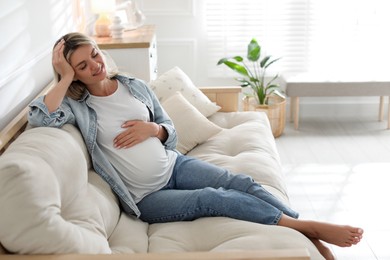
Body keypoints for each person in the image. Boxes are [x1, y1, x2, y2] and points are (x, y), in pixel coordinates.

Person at [28, 32, 363, 260]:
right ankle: (307, 230)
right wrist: (64, 78)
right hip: (147, 197)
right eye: (81, 66)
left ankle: (306, 232)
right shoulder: (78, 105)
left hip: (174, 165)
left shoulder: (133, 85)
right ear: (72, 73)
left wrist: (154, 129)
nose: (94, 66)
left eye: (94, 55)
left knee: (240, 182)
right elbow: (41, 119)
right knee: (214, 199)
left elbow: (169, 130)